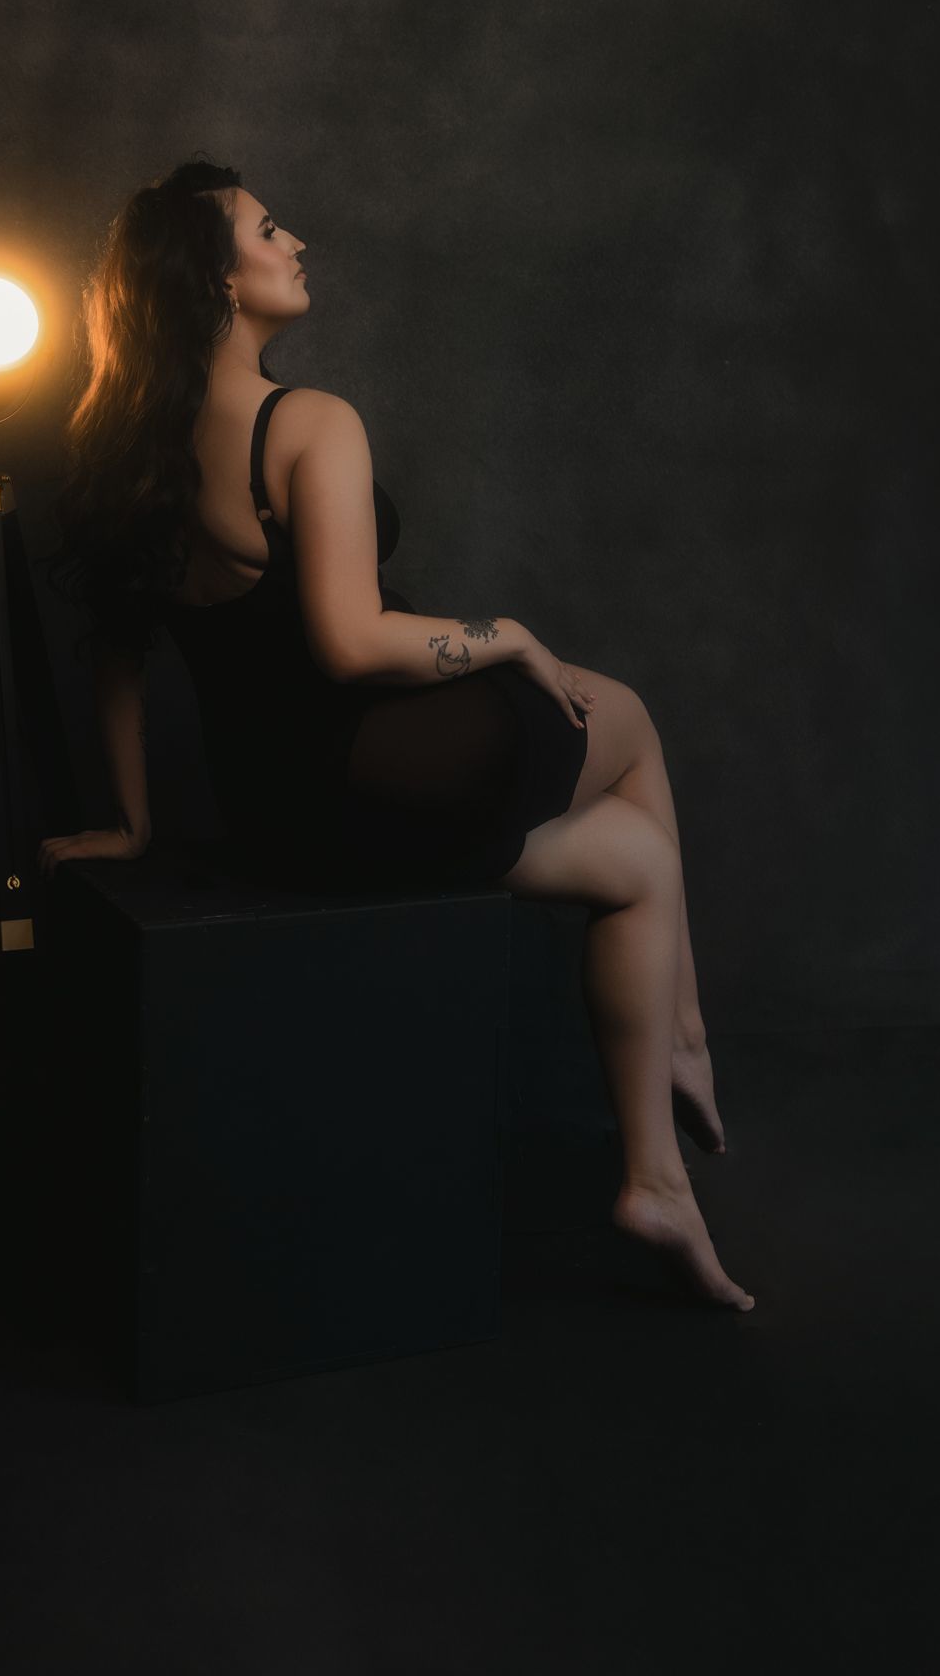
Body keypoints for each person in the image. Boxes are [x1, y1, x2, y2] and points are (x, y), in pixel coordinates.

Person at [42, 156, 754, 1313]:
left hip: (272, 820)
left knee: (637, 863)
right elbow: (350, 642)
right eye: (270, 231)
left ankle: (656, 1179)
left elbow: (117, 654)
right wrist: (508, 634)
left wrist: (133, 827)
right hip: (371, 779)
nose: (297, 240)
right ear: (219, 285)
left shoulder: (127, 445)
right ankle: (681, 1030)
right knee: (622, 715)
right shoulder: (305, 420)